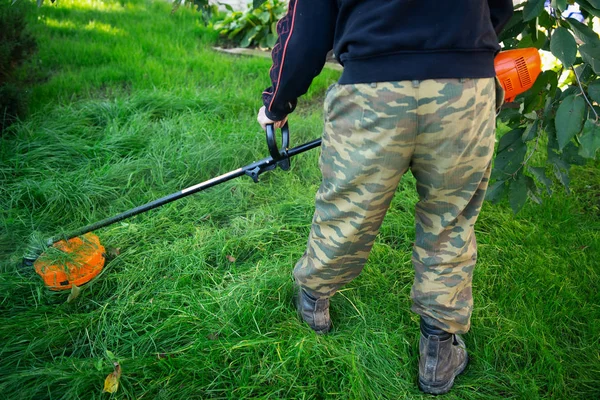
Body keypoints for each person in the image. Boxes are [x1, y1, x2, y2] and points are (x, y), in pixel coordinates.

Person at [257, 0, 513, 395]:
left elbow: (306, 26)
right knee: (451, 221)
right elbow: (498, 7)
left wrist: (277, 103)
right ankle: (438, 356)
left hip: (372, 89)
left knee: (347, 208)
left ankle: (313, 304)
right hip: (464, 89)